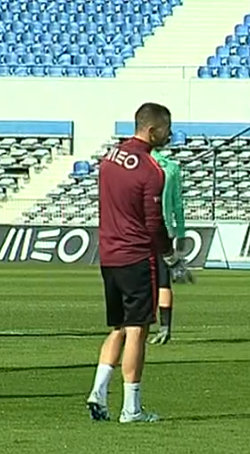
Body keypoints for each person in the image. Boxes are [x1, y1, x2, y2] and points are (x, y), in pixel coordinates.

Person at [85, 102, 171, 424]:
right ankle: (131, 408)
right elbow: (153, 223)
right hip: (136, 256)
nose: (169, 134)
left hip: (109, 254)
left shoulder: (110, 158)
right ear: (152, 130)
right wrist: (169, 251)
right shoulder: (151, 170)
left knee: (118, 327)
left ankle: (98, 391)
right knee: (137, 330)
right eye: (166, 128)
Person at [149, 146, 186, 345]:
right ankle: (165, 328)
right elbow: (178, 204)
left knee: (139, 280)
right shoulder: (171, 167)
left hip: (140, 230)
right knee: (164, 281)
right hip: (165, 230)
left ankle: (135, 326)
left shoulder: (137, 165)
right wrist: (181, 233)